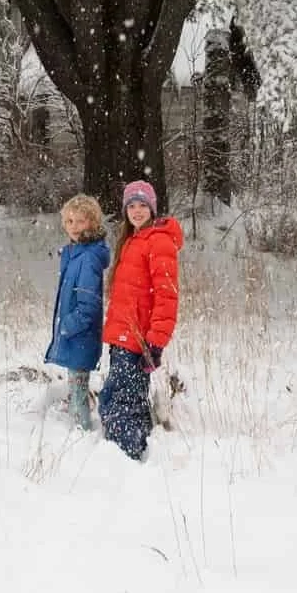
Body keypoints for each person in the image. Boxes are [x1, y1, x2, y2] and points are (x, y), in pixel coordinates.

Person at [98, 179, 183, 461]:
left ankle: (127, 457)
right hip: (122, 336)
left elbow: (166, 297)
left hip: (137, 340)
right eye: (131, 205)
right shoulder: (132, 241)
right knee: (117, 395)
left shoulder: (158, 242)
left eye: (142, 205)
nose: (136, 210)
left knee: (125, 401)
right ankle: (125, 448)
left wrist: (155, 342)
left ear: (152, 208)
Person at [44, 192, 110, 429]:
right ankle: (77, 423)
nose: (74, 227)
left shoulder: (89, 257)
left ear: (92, 222)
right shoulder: (73, 253)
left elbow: (89, 305)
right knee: (76, 385)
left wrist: (67, 325)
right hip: (77, 336)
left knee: (78, 387)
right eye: (70, 221)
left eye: (81, 221)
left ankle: (81, 431)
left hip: (81, 335)